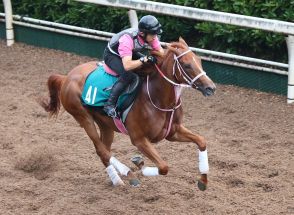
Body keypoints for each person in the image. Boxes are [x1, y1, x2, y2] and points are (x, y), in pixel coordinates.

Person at [103, 15, 164, 118]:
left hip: (129, 52)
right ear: (142, 33)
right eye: (153, 34)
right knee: (128, 75)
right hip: (112, 55)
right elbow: (127, 66)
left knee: (148, 65)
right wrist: (143, 60)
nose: (155, 37)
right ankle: (109, 105)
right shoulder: (127, 39)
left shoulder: (150, 36)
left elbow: (161, 53)